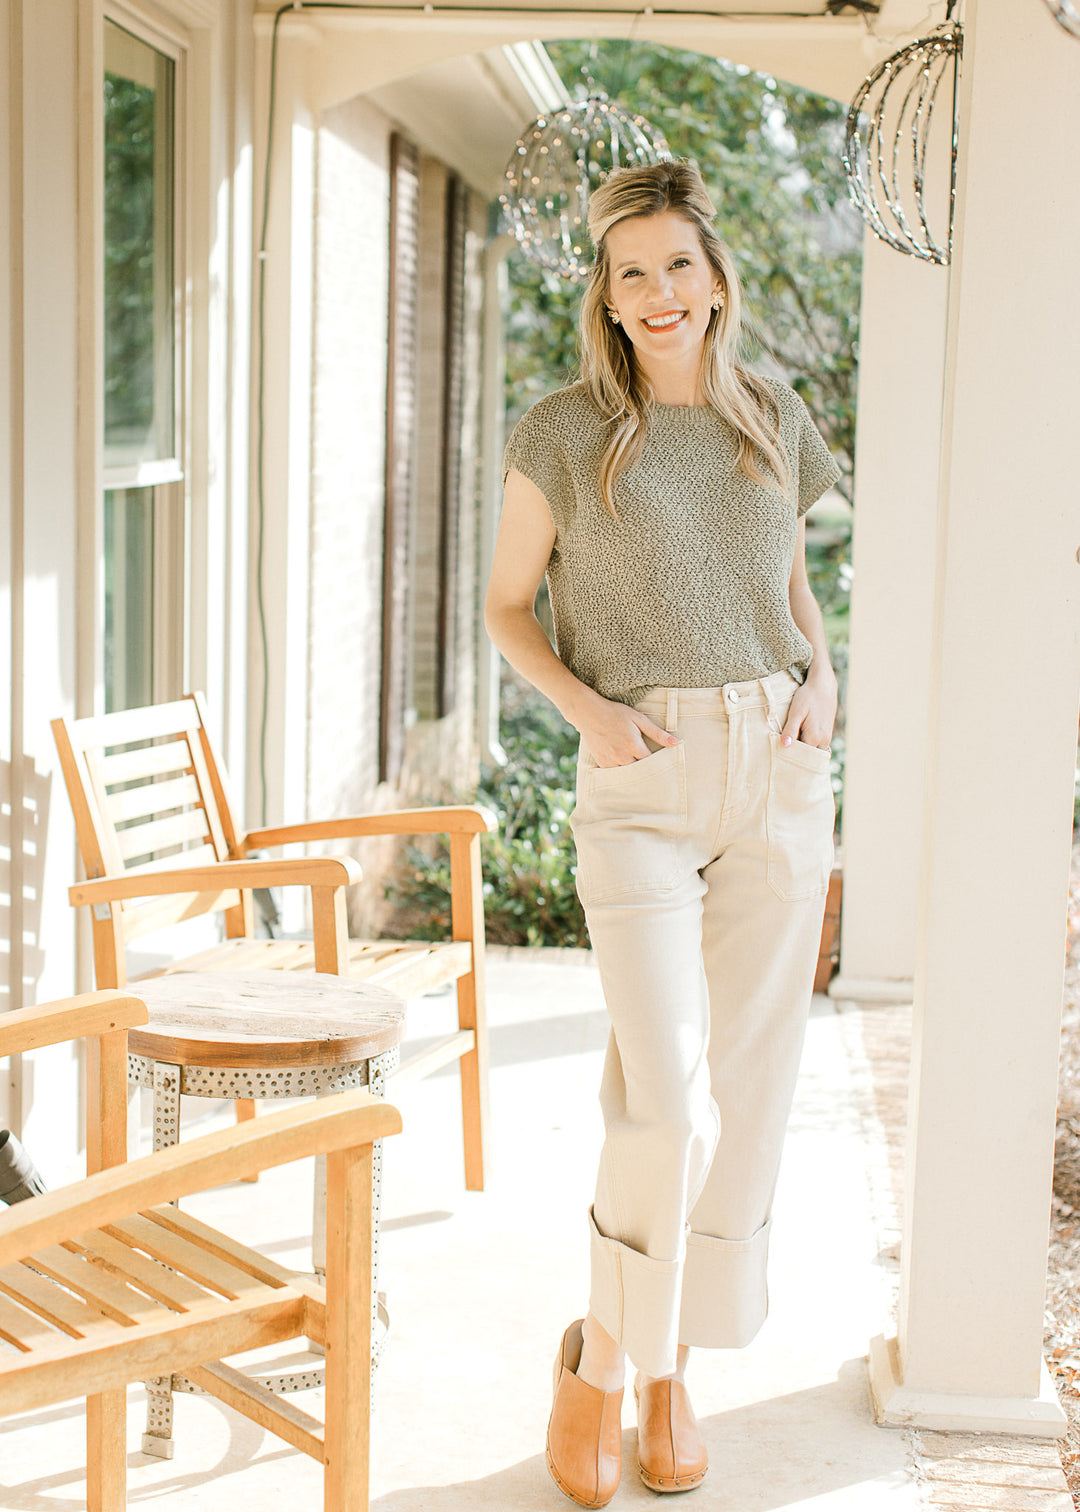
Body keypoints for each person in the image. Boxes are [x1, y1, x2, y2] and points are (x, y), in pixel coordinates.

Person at [484, 158, 841, 1508]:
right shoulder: (562, 431)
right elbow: (512, 606)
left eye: (676, 265)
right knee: (666, 1088)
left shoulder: (774, 419)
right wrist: (585, 708)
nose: (657, 293)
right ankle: (599, 1365)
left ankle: (668, 1361)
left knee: (749, 1096)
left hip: (776, 770)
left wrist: (824, 675)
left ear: (714, 277)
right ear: (608, 296)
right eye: (631, 272)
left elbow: (793, 591)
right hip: (638, 776)